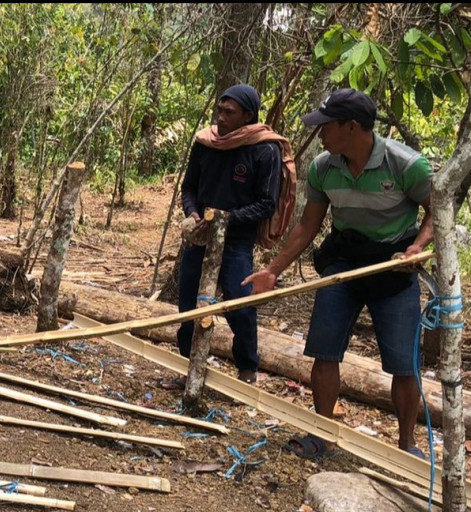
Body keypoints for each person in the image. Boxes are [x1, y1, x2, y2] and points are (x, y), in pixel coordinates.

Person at [242, 88, 434, 460]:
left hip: (393, 267)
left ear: (352, 127)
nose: (320, 134)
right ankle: (322, 435)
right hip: (344, 262)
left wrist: (418, 248)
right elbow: (307, 226)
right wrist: (272, 271)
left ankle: (407, 444)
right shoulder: (323, 167)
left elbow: (437, 210)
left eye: (326, 127)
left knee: (403, 362)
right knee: (324, 351)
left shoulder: (406, 165)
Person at [174, 83, 295, 386]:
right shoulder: (205, 143)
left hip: (237, 240)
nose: (221, 117)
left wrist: (226, 220)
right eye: (220, 110)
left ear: (247, 116)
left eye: (229, 112)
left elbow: (267, 203)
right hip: (201, 236)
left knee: (239, 302)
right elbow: (189, 187)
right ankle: (185, 367)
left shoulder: (264, 149)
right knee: (188, 304)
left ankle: (247, 367)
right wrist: (193, 213)